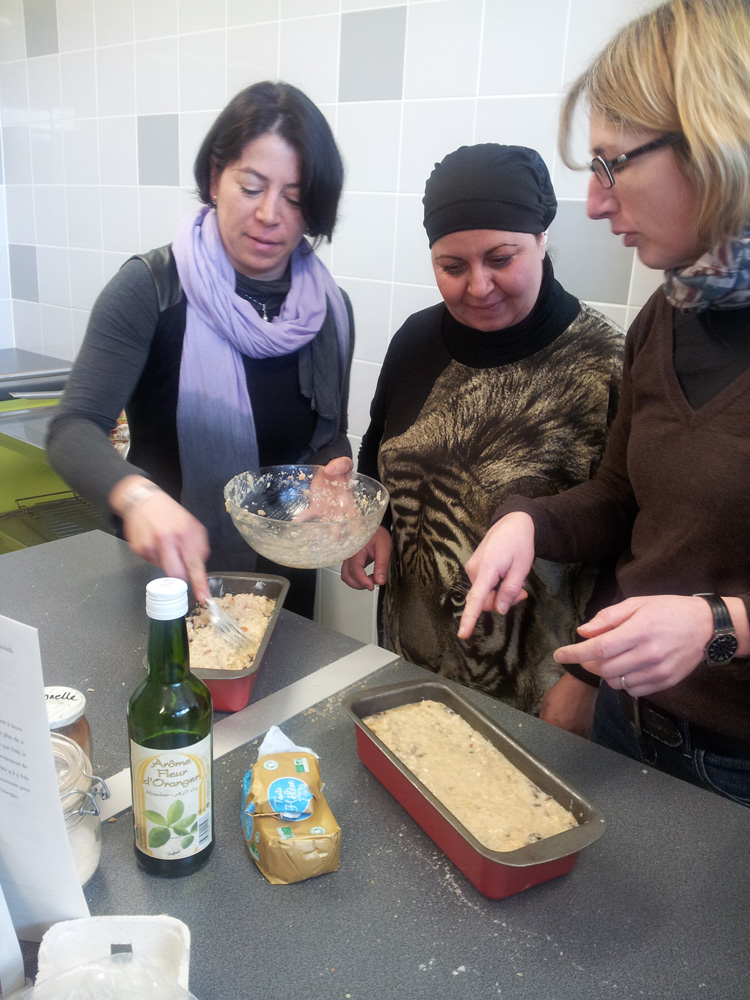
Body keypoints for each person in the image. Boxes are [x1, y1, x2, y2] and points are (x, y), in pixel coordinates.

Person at [458, 0, 750, 803]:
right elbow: (622, 500)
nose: (593, 201)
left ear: (714, 140)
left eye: (612, 164)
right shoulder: (667, 315)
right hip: (631, 723)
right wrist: (527, 523)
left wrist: (720, 626)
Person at [46, 81, 355, 617]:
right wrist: (138, 497)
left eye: (294, 197)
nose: (270, 214)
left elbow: (325, 436)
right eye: (251, 187)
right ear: (215, 178)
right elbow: (73, 428)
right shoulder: (152, 289)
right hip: (163, 580)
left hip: (283, 585)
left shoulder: (327, 308)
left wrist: (333, 474)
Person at [341, 143, 624, 716]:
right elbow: (377, 447)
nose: (478, 286)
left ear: (541, 238)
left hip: (538, 687)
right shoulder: (416, 340)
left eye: (501, 259)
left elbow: (633, 538)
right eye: (453, 267)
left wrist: (586, 678)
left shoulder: (605, 365)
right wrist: (371, 522)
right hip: (408, 663)